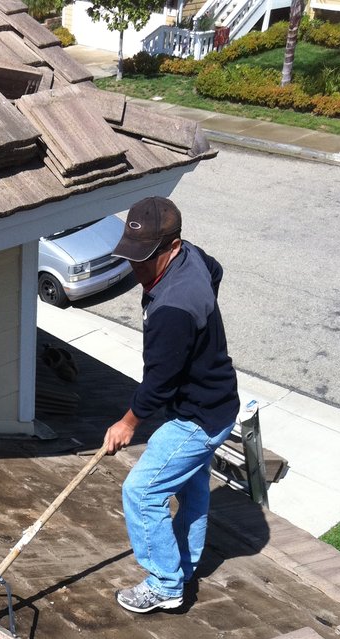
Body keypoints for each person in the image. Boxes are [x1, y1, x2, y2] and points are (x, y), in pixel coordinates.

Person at [104, 196, 240, 614]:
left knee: (142, 492)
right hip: (217, 402)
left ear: (173, 246)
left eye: (144, 259)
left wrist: (128, 423)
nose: (135, 268)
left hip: (197, 418)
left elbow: (159, 383)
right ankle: (184, 564)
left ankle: (165, 585)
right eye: (131, 255)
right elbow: (215, 269)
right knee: (193, 490)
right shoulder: (194, 260)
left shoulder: (173, 310)